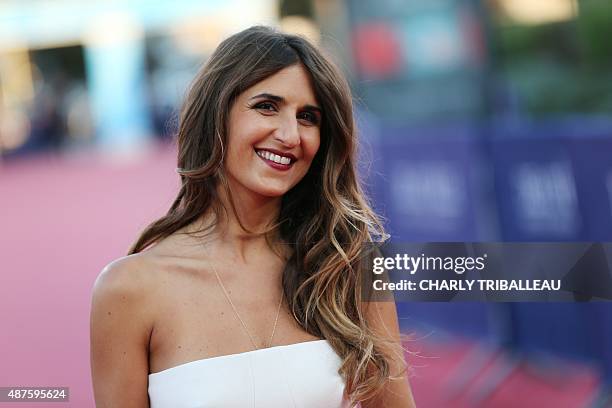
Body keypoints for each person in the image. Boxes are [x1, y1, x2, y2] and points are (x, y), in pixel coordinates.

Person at [90, 26, 416, 408]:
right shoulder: (129, 289)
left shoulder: (348, 267)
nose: (291, 135)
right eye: (267, 106)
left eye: (308, 117)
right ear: (216, 114)